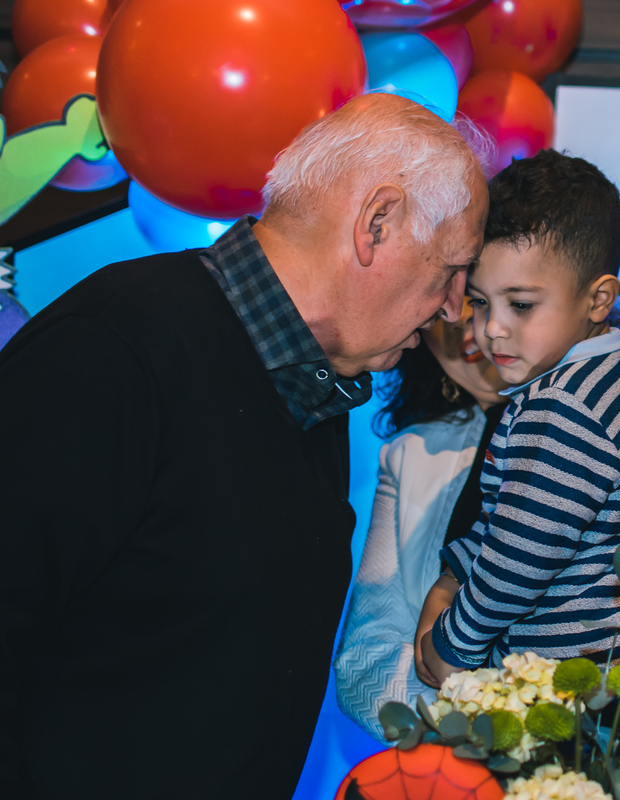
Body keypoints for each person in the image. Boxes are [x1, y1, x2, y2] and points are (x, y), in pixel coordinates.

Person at [0, 94, 487, 800]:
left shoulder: (314, 388)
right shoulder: (113, 348)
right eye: (452, 268)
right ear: (376, 224)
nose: (454, 306)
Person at [334, 298, 620, 740]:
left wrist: (618, 753)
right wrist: (500, 738)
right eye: (462, 295)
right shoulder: (410, 453)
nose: (474, 325)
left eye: (519, 299)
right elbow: (363, 667)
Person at [416, 150, 620, 686]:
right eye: (481, 302)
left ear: (599, 298)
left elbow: (517, 565)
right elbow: (521, 519)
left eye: (522, 305)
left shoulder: (563, 407)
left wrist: (451, 644)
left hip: (599, 679)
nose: (492, 330)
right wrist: (457, 567)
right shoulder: (607, 372)